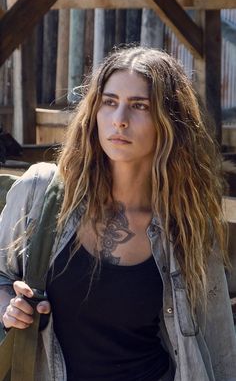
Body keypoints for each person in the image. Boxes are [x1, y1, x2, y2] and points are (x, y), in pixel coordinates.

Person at [0, 46, 236, 381]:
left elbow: (217, 342)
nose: (119, 119)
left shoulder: (185, 222)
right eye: (109, 102)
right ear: (94, 112)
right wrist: (8, 305)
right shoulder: (39, 192)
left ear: (169, 123)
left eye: (139, 106)